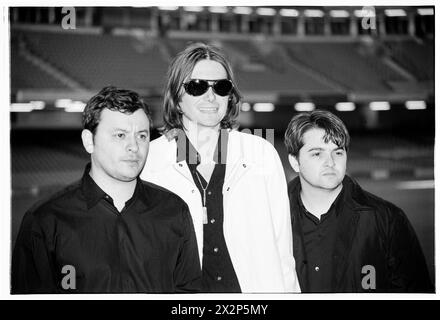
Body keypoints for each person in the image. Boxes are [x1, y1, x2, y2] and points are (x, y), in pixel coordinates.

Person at [140, 43, 300, 293]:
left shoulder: (261, 153)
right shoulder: (151, 161)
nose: (211, 97)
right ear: (177, 98)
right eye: (197, 86)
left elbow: (283, 249)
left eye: (221, 87)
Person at [11, 86, 201, 293]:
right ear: (88, 141)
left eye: (142, 136)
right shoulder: (45, 221)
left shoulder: (174, 211)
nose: (134, 147)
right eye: (120, 135)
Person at [284, 110, 433, 292]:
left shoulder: (387, 219)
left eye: (338, 153)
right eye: (317, 154)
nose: (330, 162)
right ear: (295, 162)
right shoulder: (270, 219)